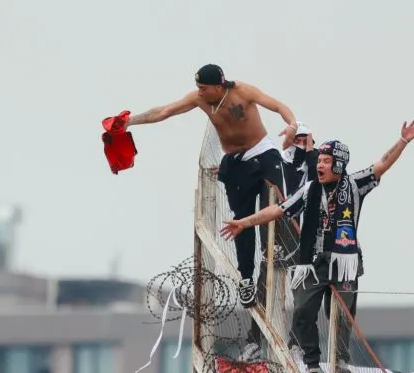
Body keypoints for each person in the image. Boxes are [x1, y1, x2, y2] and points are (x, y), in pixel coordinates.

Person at [218, 119, 414, 373]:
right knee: (302, 311)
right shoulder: (309, 189)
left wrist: (403, 141)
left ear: (338, 164)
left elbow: (382, 164)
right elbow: (278, 210)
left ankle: (340, 362)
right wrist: (244, 222)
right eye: (320, 160)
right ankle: (313, 367)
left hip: (344, 262)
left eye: (326, 161)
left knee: (341, 315)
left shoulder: (355, 184)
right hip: (312, 264)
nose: (320, 165)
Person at [125, 63, 299, 308]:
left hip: (262, 152)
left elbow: (278, 106)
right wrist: (129, 122)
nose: (199, 92)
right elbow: (165, 111)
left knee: (278, 199)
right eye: (198, 87)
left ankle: (284, 249)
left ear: (219, 86)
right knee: (241, 220)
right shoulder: (199, 100)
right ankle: (247, 278)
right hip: (235, 161)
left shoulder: (242, 91)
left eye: (204, 88)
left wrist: (291, 125)